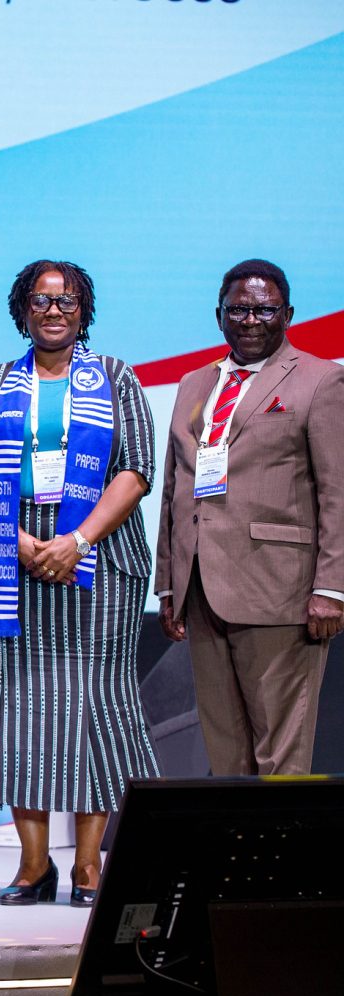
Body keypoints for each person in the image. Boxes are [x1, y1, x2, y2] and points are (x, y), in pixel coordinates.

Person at [0, 260, 159, 908]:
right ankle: (32, 866)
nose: (54, 311)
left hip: (99, 558)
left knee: (93, 707)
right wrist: (18, 541)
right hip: (14, 556)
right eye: (42, 300)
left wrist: (78, 539)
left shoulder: (117, 378)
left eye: (67, 301)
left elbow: (135, 471)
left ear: (84, 311)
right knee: (20, 707)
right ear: (23, 309)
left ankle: (89, 867)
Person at [157, 259, 344, 775]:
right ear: (219, 315)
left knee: (280, 757)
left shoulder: (322, 380)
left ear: (288, 314)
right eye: (238, 310)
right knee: (226, 756)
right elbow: (175, 486)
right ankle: (234, 835)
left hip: (280, 593)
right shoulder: (194, 383)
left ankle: (285, 836)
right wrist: (169, 584)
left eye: (264, 310)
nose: (251, 320)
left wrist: (332, 588)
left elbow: (338, 492)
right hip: (202, 591)